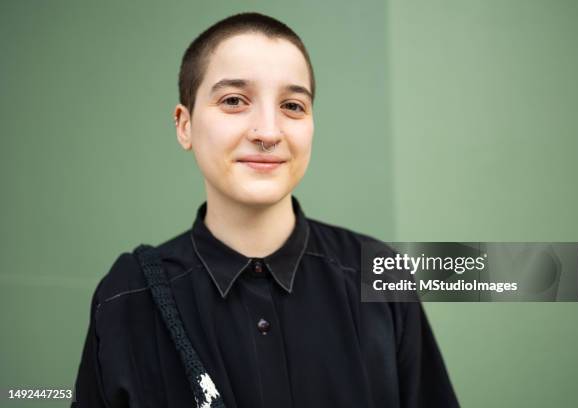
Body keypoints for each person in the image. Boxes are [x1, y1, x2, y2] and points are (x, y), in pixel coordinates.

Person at [71, 12, 459, 408]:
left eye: (292, 106)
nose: (269, 132)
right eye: (234, 101)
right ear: (184, 125)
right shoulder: (128, 294)